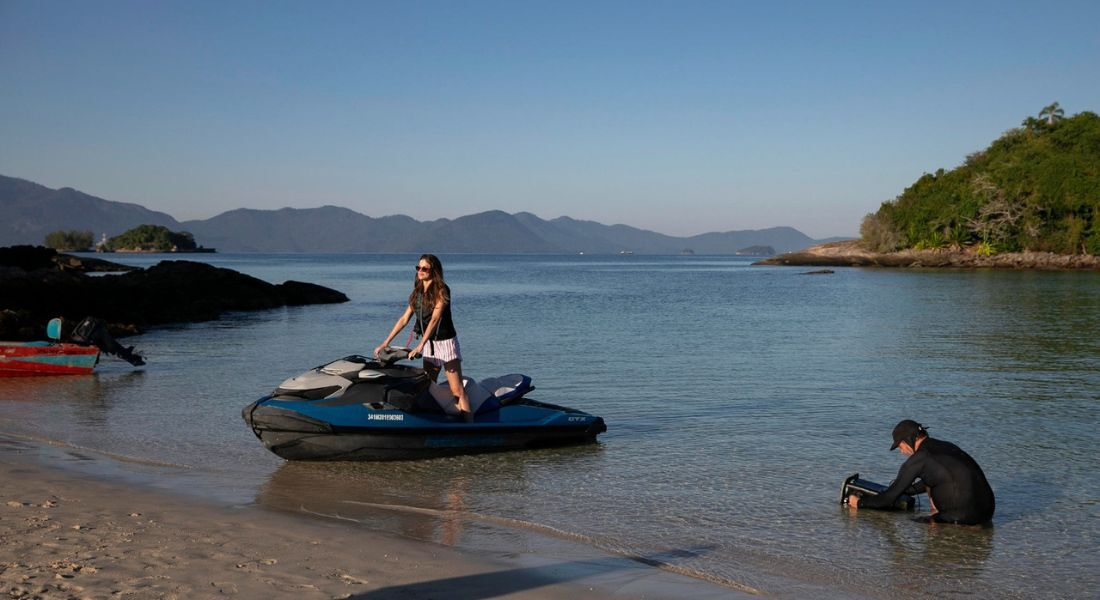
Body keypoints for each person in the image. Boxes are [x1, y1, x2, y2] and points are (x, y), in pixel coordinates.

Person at [374, 254, 473, 421]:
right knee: (427, 385)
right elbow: (404, 319)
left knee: (457, 390)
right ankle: (431, 420)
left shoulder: (442, 289)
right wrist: (385, 342)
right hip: (429, 345)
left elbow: (435, 319)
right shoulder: (418, 292)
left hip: (446, 343)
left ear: (433, 270)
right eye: (418, 268)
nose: (420, 271)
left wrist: (420, 345)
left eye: (424, 268)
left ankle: (470, 426)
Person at [848, 420, 995, 525]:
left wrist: (859, 503)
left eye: (900, 446)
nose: (902, 452)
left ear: (907, 441)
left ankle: (951, 527)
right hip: (987, 512)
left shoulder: (919, 459)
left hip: (961, 516)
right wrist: (908, 491)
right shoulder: (946, 446)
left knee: (911, 523)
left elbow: (888, 499)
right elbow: (942, 477)